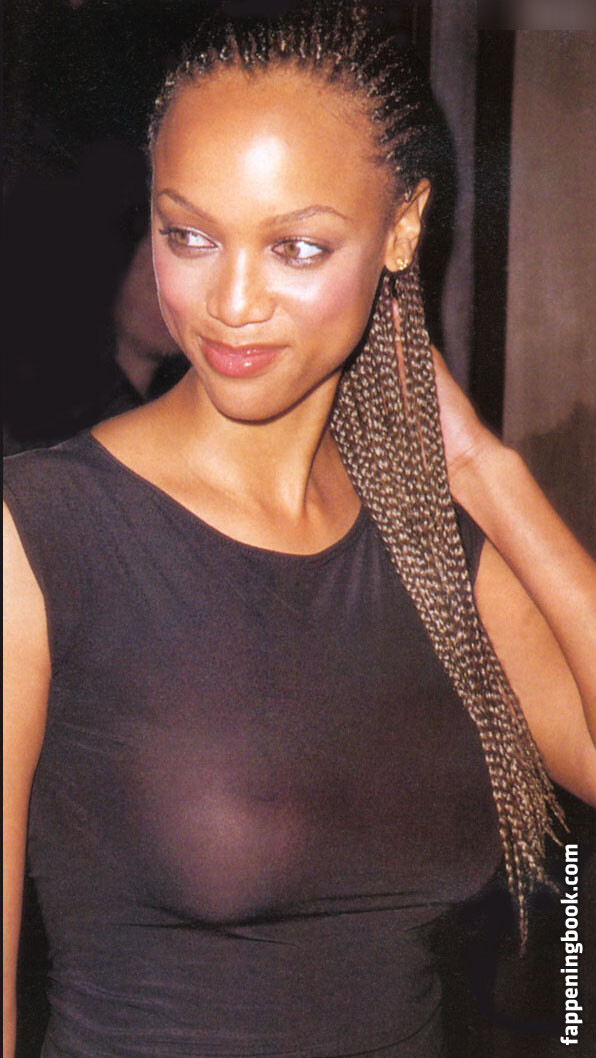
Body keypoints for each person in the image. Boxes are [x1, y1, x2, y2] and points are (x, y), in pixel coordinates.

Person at [4, 3, 595, 1056]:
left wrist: (485, 468)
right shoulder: (44, 532)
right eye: (188, 234)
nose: (231, 302)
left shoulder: (430, 541)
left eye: (297, 246)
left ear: (402, 229)